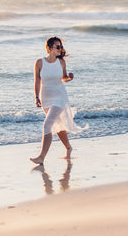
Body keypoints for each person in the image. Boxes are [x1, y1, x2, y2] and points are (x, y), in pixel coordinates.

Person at [30, 37, 87, 165]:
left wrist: (69, 78)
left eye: (61, 46)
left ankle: (41, 157)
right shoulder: (39, 63)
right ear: (49, 48)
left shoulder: (61, 62)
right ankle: (68, 148)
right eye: (57, 46)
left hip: (59, 97)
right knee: (58, 125)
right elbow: (37, 81)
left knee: (47, 124)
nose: (60, 49)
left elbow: (63, 78)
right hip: (46, 97)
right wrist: (36, 97)